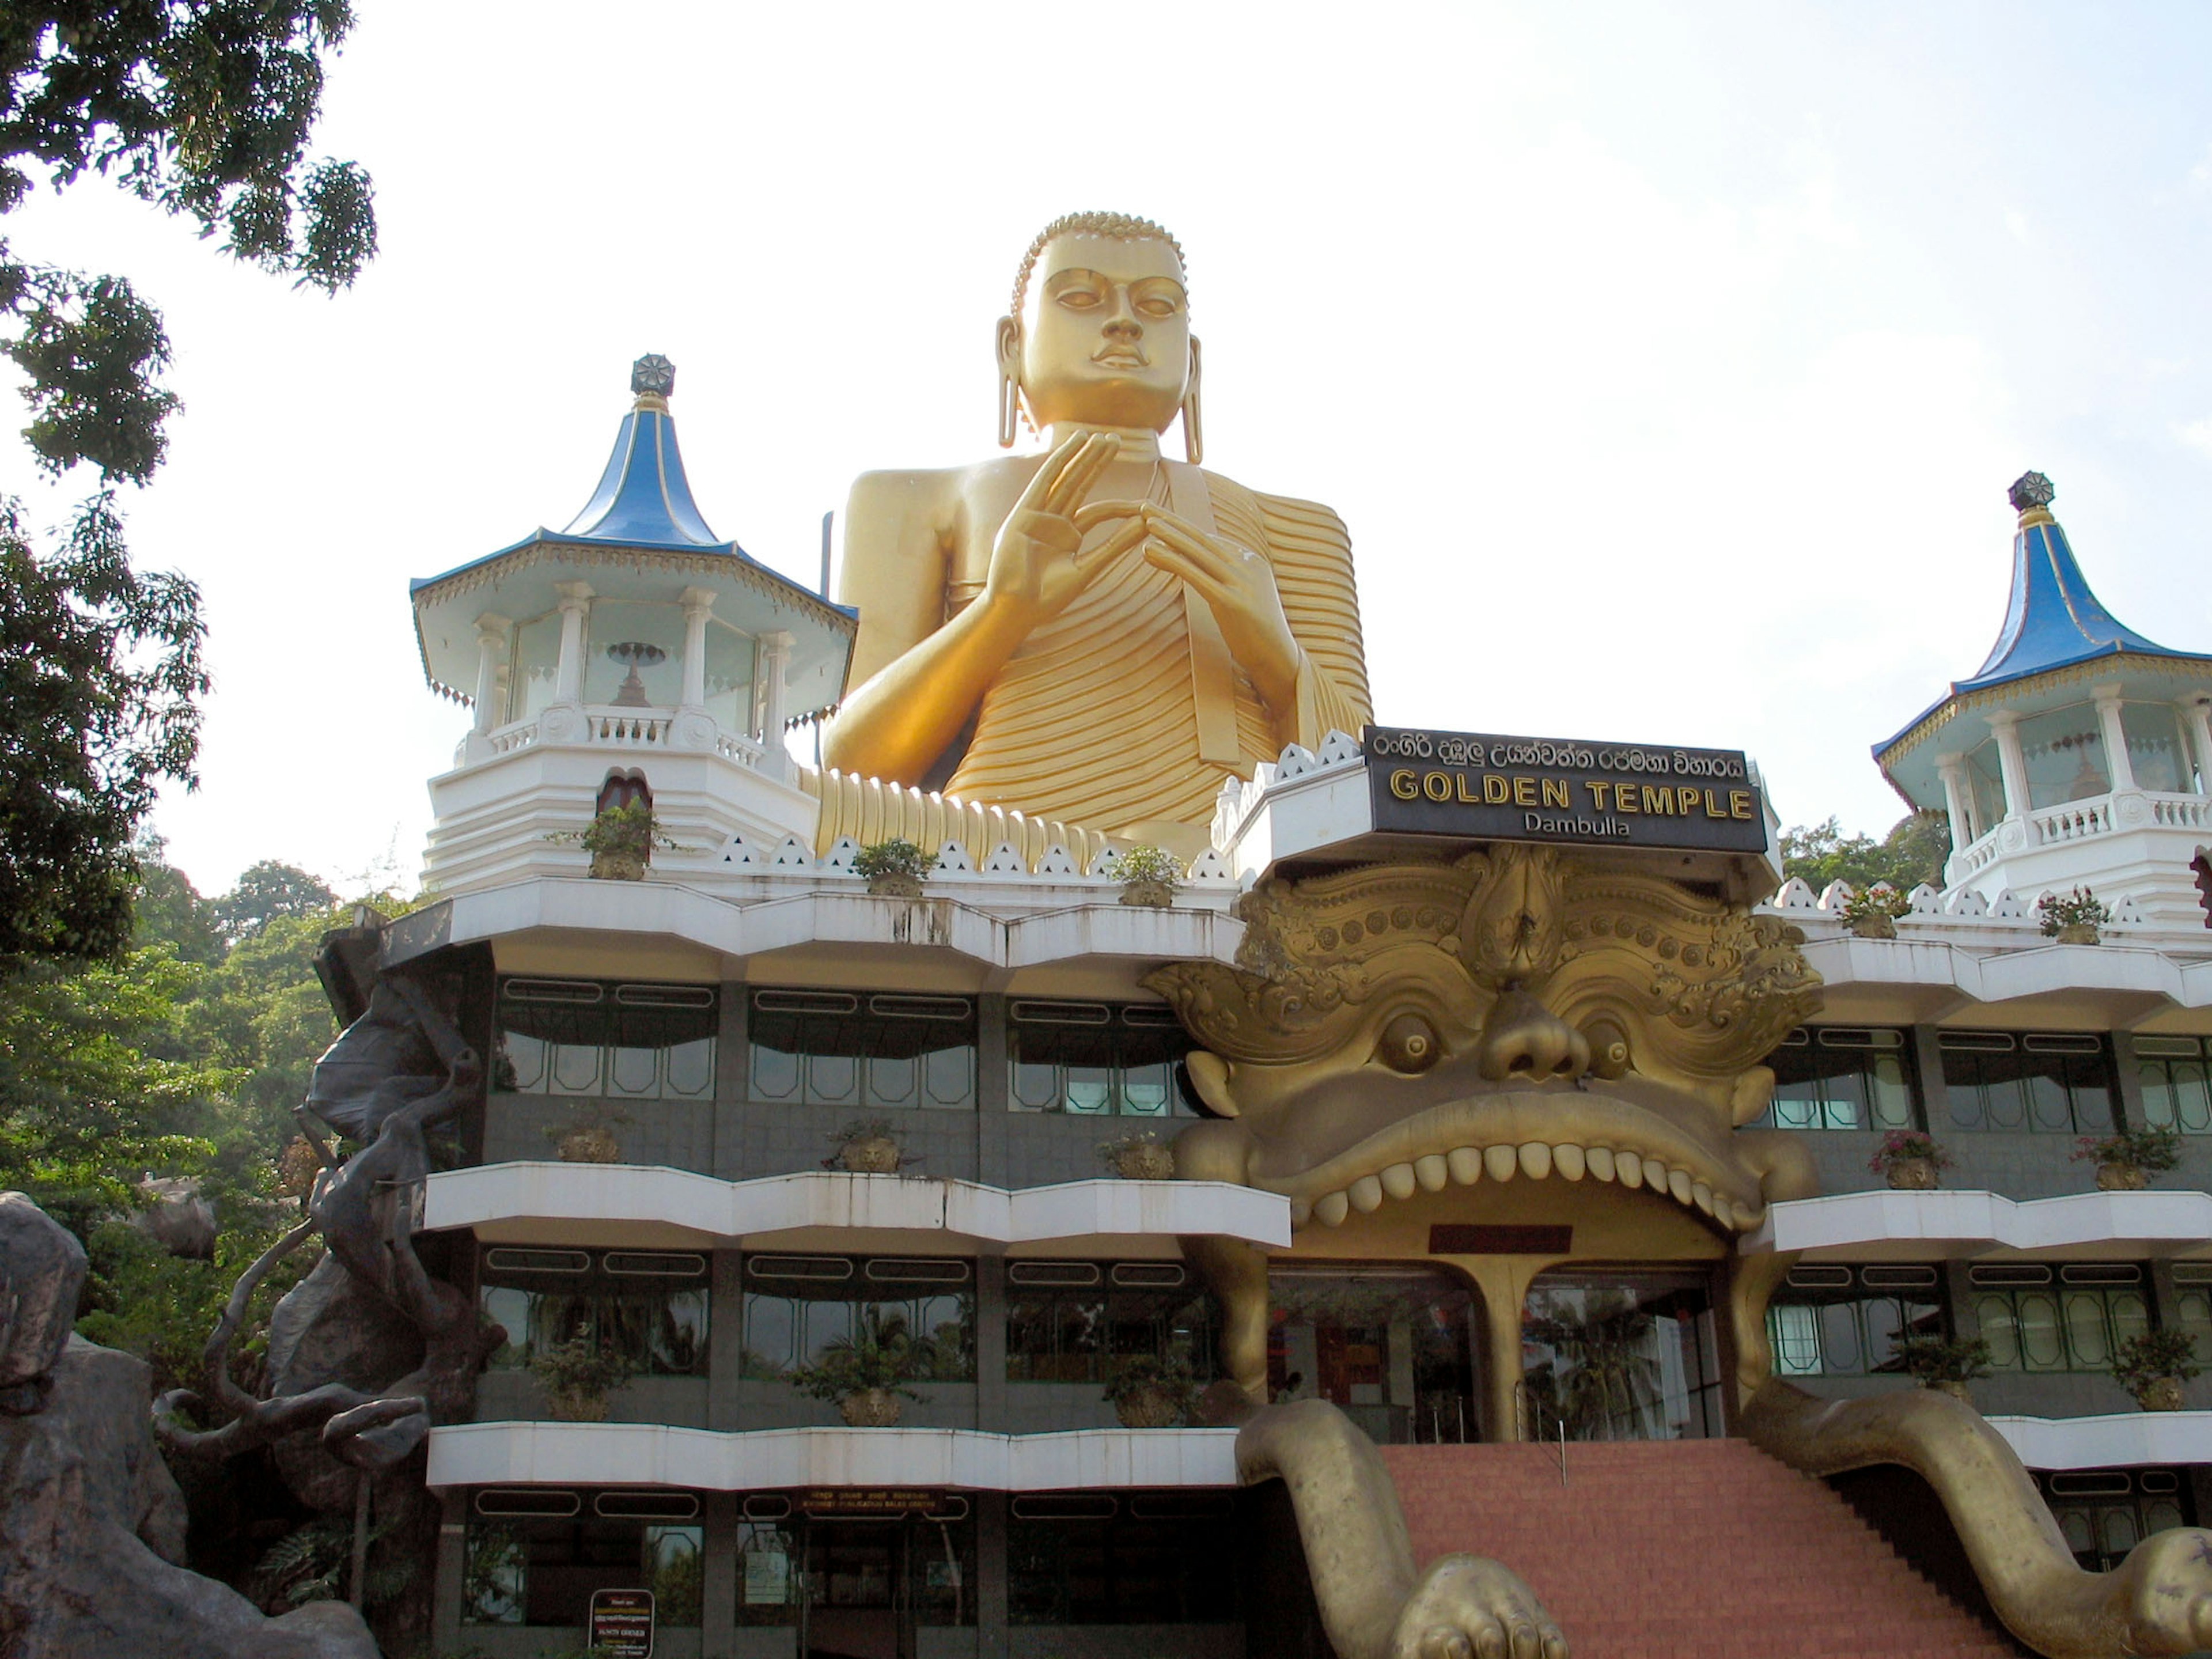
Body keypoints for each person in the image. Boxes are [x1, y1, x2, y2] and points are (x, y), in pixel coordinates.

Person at [819, 212, 1369, 861]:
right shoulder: (914, 499)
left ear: (1192, 361)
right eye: (1081, 297)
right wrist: (1001, 612)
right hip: (997, 845)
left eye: (1158, 306)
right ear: (1011, 345)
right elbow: (849, 768)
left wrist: (1278, 659)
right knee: (819, 811)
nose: (1124, 323)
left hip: (1242, 852)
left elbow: (1373, 785)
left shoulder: (1296, 526)